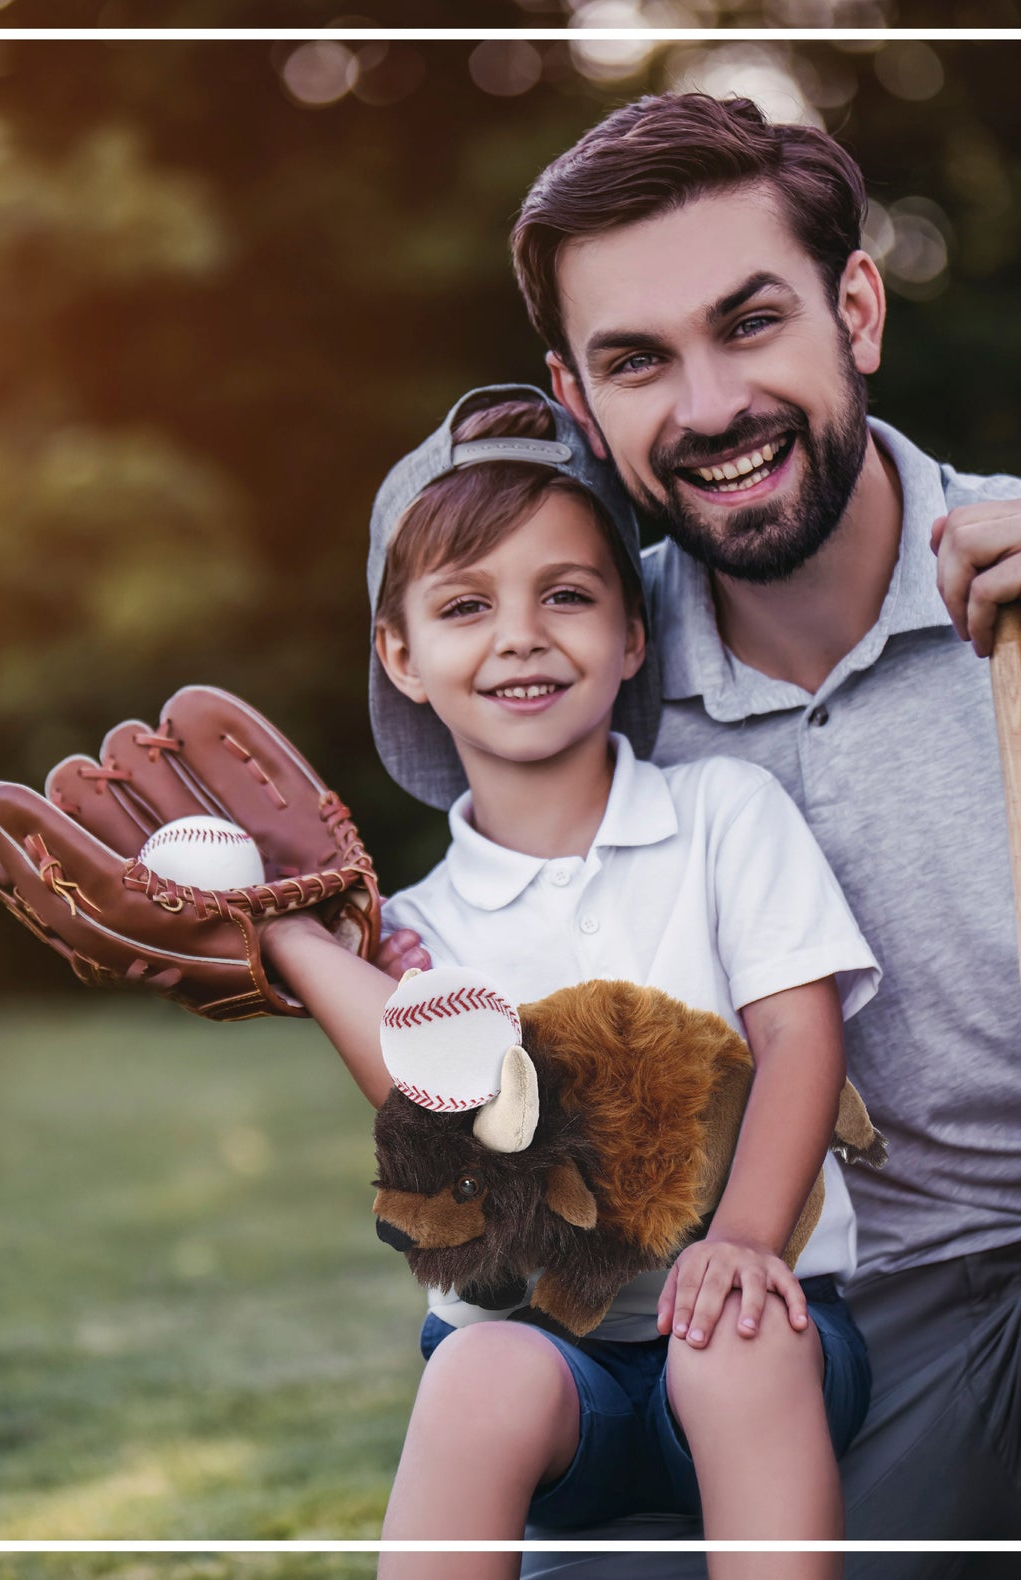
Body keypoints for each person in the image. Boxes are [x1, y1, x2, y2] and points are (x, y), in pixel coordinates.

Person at [379, 93, 1021, 1578]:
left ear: (856, 310)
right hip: (824, 1348)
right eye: (638, 361)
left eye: (749, 322)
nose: (709, 406)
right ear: (578, 399)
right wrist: (290, 944)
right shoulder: (583, 666)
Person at [263, 385, 886, 1579]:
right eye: (464, 605)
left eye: (566, 594)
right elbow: (447, 1124)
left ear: (632, 633)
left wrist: (743, 1238)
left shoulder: (723, 814)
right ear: (399, 653)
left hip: (767, 1333)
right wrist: (292, 939)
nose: (520, 635)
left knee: (736, 1335)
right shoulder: (416, 931)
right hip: (557, 1371)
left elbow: (801, 1039)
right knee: (478, 1368)